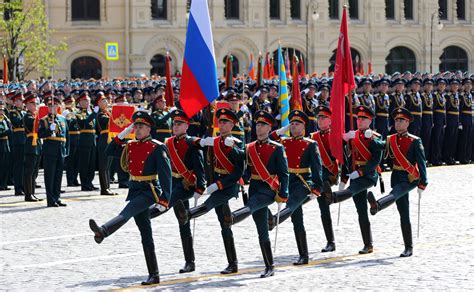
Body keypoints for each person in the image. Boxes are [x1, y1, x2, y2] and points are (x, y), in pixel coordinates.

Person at [89, 111, 172, 285]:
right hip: (135, 188)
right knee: (145, 233)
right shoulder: (131, 145)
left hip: (149, 190)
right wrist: (124, 133)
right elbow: (109, 150)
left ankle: (103, 231)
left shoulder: (157, 147)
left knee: (127, 212)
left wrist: (165, 199)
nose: (137, 129)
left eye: (140, 127)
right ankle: (154, 274)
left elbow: (166, 175)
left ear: (149, 128)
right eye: (136, 126)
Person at [175, 108, 245, 275]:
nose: (222, 125)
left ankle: (188, 214)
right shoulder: (214, 142)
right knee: (225, 223)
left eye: (225, 122)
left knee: (210, 205)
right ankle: (232, 263)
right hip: (216, 185)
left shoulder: (237, 142)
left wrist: (219, 184)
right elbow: (208, 163)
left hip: (229, 186)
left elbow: (239, 170)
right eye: (220, 122)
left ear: (232, 125)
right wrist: (206, 183)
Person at [221, 110, 289, 278]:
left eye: (262, 125)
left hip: (268, 189)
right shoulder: (250, 147)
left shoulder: (277, 148)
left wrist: (283, 192)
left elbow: (284, 173)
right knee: (262, 230)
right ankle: (269, 265)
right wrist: (230, 147)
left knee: (252, 205)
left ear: (269, 127)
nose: (258, 127)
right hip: (254, 187)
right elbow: (242, 161)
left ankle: (233, 217)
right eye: (257, 124)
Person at [148, 109, 206, 274]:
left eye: (179, 124)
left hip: (185, 185)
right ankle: (190, 262)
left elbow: (199, 167)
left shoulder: (191, 143)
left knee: (166, 203)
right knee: (183, 223)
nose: (175, 126)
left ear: (186, 126)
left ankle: (146, 214)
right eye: (174, 123)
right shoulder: (168, 142)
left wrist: (198, 185)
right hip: (172, 182)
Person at [322, 105, 385, 254]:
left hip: (368, 175)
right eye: (358, 118)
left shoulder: (374, 136)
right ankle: (368, 244)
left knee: (353, 189)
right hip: (354, 174)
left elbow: (377, 158)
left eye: (364, 119)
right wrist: (344, 177)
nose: (360, 121)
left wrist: (361, 172)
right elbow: (347, 158)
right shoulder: (353, 135)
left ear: (370, 121)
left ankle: (333, 198)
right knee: (361, 210)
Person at [368, 107, 428, 257]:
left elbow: (422, 162)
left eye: (401, 120)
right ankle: (408, 247)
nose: (398, 123)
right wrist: (369, 136)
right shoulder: (391, 139)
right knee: (404, 212)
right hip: (396, 175)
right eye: (396, 120)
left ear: (407, 123)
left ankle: (378, 205)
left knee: (396, 193)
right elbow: (379, 145)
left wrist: (423, 182)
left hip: (409, 178)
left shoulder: (415, 141)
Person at [267, 110, 323, 265]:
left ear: (304, 125)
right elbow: (267, 139)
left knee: (291, 202)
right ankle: (303, 255)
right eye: (291, 123)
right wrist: (280, 131)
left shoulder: (310, 144)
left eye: (297, 124)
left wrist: (317, 187)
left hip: (302, 182)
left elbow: (317, 168)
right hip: (287, 181)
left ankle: (274, 220)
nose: (293, 126)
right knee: (297, 219)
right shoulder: (283, 142)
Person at [309, 106, 341, 253]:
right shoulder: (313, 137)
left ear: (330, 120)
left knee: (322, 201)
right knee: (324, 209)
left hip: (330, 175)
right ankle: (331, 241)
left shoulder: (334, 135)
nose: (320, 120)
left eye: (323, 118)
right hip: (317, 175)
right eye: (319, 118)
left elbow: (341, 157)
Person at [38, 96, 69, 207]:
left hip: (61, 150)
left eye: (55, 105)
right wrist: (48, 130)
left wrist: (66, 150)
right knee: (50, 176)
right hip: (50, 150)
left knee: (58, 176)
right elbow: (40, 134)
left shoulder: (62, 119)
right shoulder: (44, 120)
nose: (52, 107)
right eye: (50, 105)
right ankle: (50, 200)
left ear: (58, 107)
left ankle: (57, 197)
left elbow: (67, 136)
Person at [94, 92, 117, 196]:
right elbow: (110, 122)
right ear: (98, 103)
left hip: (110, 139)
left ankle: (107, 187)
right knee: (103, 166)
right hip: (104, 140)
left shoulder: (108, 113)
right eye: (103, 100)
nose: (106, 102)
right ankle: (104, 188)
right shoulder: (100, 115)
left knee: (108, 166)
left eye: (106, 100)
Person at [76, 91, 99, 191]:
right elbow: (84, 123)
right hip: (84, 140)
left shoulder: (91, 112)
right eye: (84, 100)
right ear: (80, 102)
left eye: (88, 100)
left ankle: (89, 182)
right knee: (84, 163)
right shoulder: (79, 113)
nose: (87, 102)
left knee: (91, 163)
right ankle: (84, 183)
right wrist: (94, 113)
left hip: (92, 139)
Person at [22, 92, 43, 202]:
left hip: (37, 145)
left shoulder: (35, 116)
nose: (36, 106)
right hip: (31, 145)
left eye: (36, 103)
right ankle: (28, 194)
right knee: (29, 171)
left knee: (35, 171)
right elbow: (35, 125)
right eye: (33, 103)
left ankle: (32, 193)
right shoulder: (27, 117)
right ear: (28, 105)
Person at [8, 91, 26, 196]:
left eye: (22, 100)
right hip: (18, 140)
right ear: (15, 102)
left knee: (25, 165)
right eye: (19, 100)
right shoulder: (12, 112)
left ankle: (24, 185)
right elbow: (18, 122)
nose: (22, 102)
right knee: (18, 165)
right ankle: (18, 188)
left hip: (25, 140)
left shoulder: (24, 113)